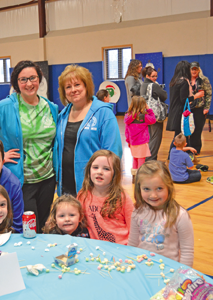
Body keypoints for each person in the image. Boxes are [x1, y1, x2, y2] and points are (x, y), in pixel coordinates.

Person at [0, 60, 58, 233]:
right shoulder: (4, 107)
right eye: (23, 79)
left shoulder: (50, 107)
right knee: (27, 229)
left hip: (48, 178)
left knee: (43, 225)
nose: (29, 83)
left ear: (39, 79)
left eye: (33, 78)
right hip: (22, 181)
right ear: (16, 83)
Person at [57, 65, 122, 197]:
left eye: (77, 84)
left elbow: (113, 152)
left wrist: (105, 184)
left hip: (95, 187)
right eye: (68, 87)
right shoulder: (62, 116)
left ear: (86, 86)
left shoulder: (103, 113)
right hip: (66, 186)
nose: (73, 90)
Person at [128, 161, 194, 267]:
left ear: (169, 186)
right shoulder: (137, 212)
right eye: (146, 189)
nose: (153, 195)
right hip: (141, 267)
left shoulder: (180, 216)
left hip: (168, 271)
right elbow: (132, 243)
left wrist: (182, 275)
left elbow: (187, 252)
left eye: (159, 188)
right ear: (139, 189)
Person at [77, 150, 134, 245]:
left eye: (106, 169)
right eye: (95, 167)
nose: (99, 172)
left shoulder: (123, 198)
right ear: (89, 170)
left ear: (115, 174)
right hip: (95, 248)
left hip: (122, 247)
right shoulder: (83, 195)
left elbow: (133, 227)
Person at [166, 61, 204, 156]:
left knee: (180, 135)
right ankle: (171, 155)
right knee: (179, 136)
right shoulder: (184, 82)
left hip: (174, 111)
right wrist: (196, 96)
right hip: (180, 112)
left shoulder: (174, 81)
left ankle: (179, 155)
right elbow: (184, 99)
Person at [124, 96, 156, 179]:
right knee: (141, 160)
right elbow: (153, 119)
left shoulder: (127, 116)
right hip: (142, 142)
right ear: (143, 105)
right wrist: (149, 109)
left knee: (135, 159)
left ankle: (134, 176)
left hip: (132, 142)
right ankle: (140, 177)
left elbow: (126, 131)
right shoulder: (144, 117)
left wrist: (128, 141)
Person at [140, 66, 168, 161]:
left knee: (150, 137)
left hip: (145, 114)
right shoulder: (154, 85)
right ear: (147, 76)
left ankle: (149, 158)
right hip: (155, 115)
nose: (155, 78)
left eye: (156, 76)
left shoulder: (143, 85)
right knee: (156, 137)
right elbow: (164, 96)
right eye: (153, 76)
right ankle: (150, 159)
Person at [189, 62, 212, 155]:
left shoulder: (203, 80)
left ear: (199, 70)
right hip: (189, 108)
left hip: (200, 108)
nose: (194, 71)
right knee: (188, 129)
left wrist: (206, 108)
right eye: (192, 69)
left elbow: (208, 94)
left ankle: (196, 149)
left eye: (195, 69)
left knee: (197, 129)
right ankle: (188, 148)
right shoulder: (187, 80)